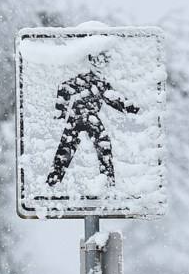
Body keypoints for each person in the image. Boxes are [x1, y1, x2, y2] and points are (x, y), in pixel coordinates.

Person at [46, 52, 139, 187]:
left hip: (84, 119)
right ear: (91, 61)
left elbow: (113, 99)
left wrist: (133, 109)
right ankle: (108, 182)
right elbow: (63, 88)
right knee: (96, 145)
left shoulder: (98, 81)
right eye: (98, 60)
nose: (101, 63)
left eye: (104, 60)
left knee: (70, 148)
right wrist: (60, 113)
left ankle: (53, 182)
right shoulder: (91, 80)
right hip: (81, 118)